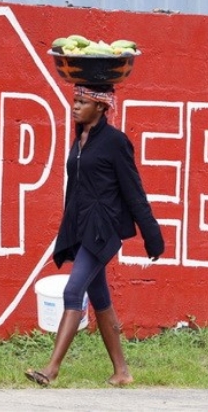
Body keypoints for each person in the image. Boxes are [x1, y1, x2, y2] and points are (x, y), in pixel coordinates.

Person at [25, 83, 164, 387]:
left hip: (103, 229)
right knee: (100, 297)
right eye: (74, 100)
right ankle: (122, 371)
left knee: (73, 292)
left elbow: (134, 191)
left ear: (101, 107)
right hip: (81, 226)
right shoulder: (80, 140)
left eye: (82, 102)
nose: (75, 106)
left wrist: (151, 234)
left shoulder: (115, 142)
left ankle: (51, 370)